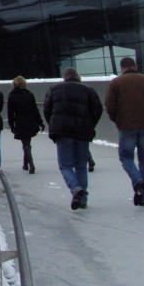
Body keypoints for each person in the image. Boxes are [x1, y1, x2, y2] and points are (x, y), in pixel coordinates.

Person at [105, 56, 144, 206]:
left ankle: (137, 180)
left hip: (126, 126)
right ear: (135, 66)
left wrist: (118, 121)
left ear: (122, 68)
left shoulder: (116, 83)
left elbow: (110, 106)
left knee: (126, 157)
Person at [43, 67, 102, 210]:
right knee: (81, 166)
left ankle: (75, 188)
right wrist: (90, 125)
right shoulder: (88, 90)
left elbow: (47, 109)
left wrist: (54, 124)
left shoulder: (54, 89)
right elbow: (98, 109)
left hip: (63, 132)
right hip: (82, 132)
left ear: (64, 77)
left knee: (65, 165)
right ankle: (83, 200)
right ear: (78, 76)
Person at [7, 75, 44, 173]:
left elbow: (10, 112)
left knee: (25, 144)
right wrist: (40, 122)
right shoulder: (29, 94)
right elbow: (35, 110)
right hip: (30, 121)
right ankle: (26, 164)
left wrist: (11, 125)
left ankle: (31, 165)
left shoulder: (12, 96)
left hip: (20, 121)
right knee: (27, 142)